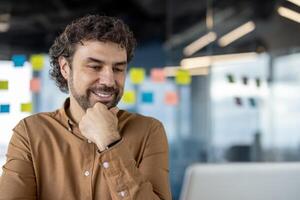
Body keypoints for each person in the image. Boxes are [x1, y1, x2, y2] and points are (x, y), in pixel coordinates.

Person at [0, 15, 171, 200]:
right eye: (95, 67)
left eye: (118, 69)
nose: (109, 80)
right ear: (65, 68)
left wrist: (111, 143)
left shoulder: (148, 131)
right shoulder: (30, 133)